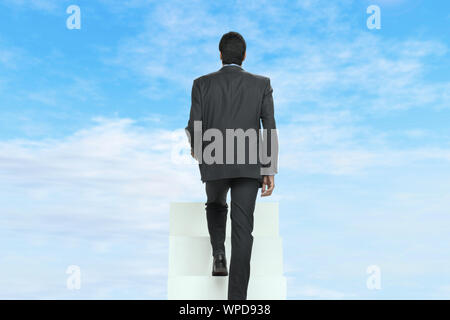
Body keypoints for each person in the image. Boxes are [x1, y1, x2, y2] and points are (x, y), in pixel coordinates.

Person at [185, 31, 278, 300]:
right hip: (249, 166)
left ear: (220, 54)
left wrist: (198, 150)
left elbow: (194, 124)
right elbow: (268, 126)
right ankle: (236, 301)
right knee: (242, 230)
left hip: (214, 158)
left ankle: (218, 255)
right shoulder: (262, 84)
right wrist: (268, 167)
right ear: (245, 56)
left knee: (215, 204)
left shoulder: (201, 83)